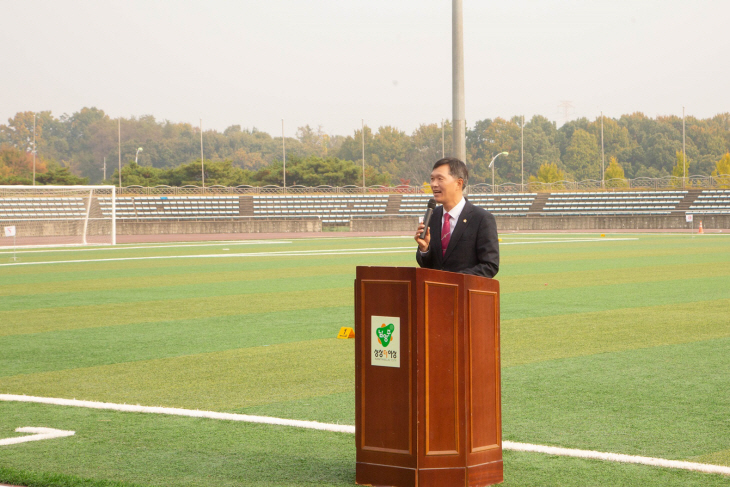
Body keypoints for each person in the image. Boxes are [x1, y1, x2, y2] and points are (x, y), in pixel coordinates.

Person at [414, 157, 499, 277]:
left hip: (466, 293)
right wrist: (424, 249)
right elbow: (428, 265)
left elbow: (490, 265)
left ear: (459, 183)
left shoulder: (481, 219)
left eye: (440, 179)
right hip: (436, 293)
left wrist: (454, 280)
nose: (433, 184)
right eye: (432, 179)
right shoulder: (432, 216)